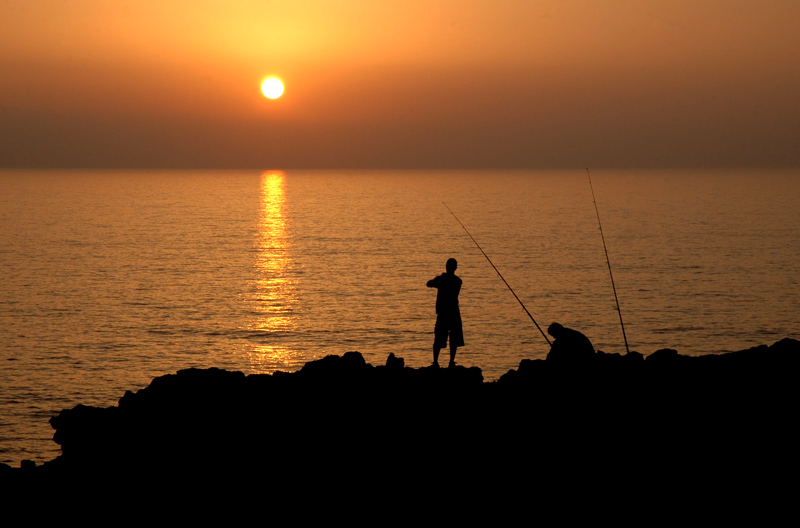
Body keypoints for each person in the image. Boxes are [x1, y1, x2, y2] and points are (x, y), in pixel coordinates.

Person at [427, 258, 464, 367]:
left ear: (446, 267)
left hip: (443, 313)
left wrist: (438, 280)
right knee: (454, 338)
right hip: (454, 313)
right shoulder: (458, 281)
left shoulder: (441, 279)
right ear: (455, 268)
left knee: (439, 337)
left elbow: (428, 284)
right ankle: (451, 362)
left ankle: (435, 362)